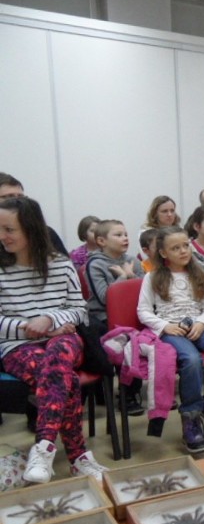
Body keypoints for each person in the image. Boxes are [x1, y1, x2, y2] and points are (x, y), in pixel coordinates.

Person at [0, 196, 108, 483]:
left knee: (59, 354)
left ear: (31, 229)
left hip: (64, 339)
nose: (2, 236)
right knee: (66, 379)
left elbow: (78, 309)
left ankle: (44, 445)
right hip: (18, 345)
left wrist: (50, 320)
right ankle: (78, 457)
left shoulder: (61, 265)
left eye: (9, 229)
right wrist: (30, 327)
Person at [137, 226, 204, 453]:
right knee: (192, 360)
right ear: (163, 253)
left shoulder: (199, 274)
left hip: (198, 326)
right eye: (175, 248)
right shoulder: (152, 277)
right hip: (171, 330)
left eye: (185, 246)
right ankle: (191, 418)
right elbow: (143, 312)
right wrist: (166, 326)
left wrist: (202, 323)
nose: (183, 251)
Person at [85, 219, 145, 334]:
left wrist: (131, 275)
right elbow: (104, 299)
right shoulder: (95, 264)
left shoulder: (132, 261)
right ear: (102, 241)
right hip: (104, 316)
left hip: (135, 310)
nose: (125, 238)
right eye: (118, 235)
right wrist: (122, 277)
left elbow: (146, 291)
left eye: (126, 235)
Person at [0, 172, 68, 256]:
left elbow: (62, 264)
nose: (17, 202)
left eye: (20, 197)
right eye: (9, 197)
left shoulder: (44, 232)